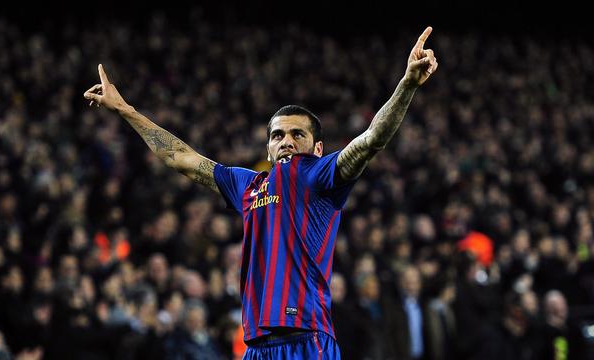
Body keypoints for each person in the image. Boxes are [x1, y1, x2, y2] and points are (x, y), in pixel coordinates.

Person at [84, 26, 438, 359]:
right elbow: (181, 158)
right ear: (268, 147)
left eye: (297, 134)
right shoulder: (249, 185)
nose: (285, 141)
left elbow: (371, 140)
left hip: (306, 337)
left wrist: (406, 85)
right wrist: (126, 111)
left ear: (317, 148)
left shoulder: (321, 174)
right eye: (277, 135)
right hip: (256, 345)